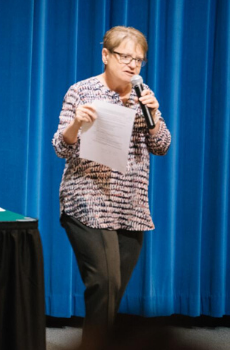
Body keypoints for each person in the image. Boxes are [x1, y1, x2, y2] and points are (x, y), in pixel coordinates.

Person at [52, 26, 171, 348]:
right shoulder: (82, 91)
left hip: (131, 205)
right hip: (87, 200)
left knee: (113, 291)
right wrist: (77, 123)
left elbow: (161, 146)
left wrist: (155, 115)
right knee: (104, 282)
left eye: (139, 60)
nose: (132, 65)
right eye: (125, 56)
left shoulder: (142, 96)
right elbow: (61, 147)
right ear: (106, 55)